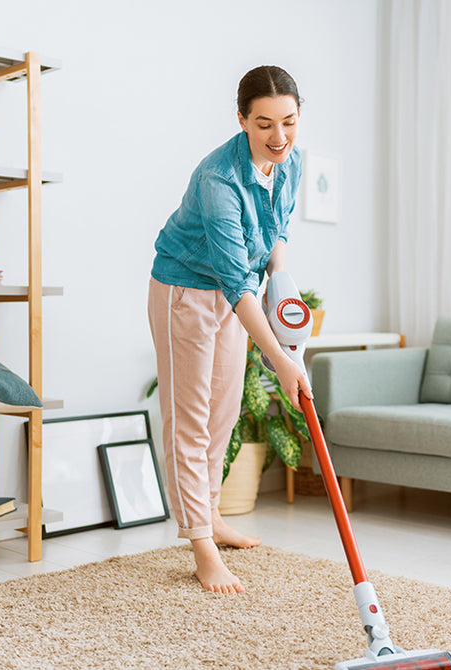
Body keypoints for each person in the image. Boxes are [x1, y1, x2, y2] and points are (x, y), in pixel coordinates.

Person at [147, 65, 311, 594]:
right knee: (189, 419)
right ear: (241, 119)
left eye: (288, 120)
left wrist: (281, 282)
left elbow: (277, 230)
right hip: (187, 291)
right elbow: (239, 282)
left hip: (232, 293)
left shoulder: (291, 162)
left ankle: (212, 515)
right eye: (264, 124)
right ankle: (201, 546)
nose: (279, 137)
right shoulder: (218, 178)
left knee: (223, 410)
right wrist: (281, 361)